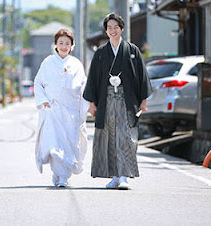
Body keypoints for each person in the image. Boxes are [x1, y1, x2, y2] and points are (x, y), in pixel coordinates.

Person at [83, 13, 152, 190]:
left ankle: (124, 176)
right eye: (109, 28)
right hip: (106, 100)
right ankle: (114, 176)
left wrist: (143, 100)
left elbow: (142, 76)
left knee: (126, 137)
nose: (112, 30)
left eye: (116, 27)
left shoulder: (132, 51)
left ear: (122, 28)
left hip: (126, 100)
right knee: (109, 137)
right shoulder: (100, 53)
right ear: (106, 31)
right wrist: (92, 103)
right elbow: (93, 79)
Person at [34, 28, 90, 188]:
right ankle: (61, 175)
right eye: (61, 43)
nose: (64, 46)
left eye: (67, 43)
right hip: (53, 108)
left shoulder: (76, 64)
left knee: (70, 141)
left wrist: (86, 106)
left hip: (71, 110)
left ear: (72, 46)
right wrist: (43, 100)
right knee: (54, 142)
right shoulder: (48, 62)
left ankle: (63, 174)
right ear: (55, 45)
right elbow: (38, 82)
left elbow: (83, 86)